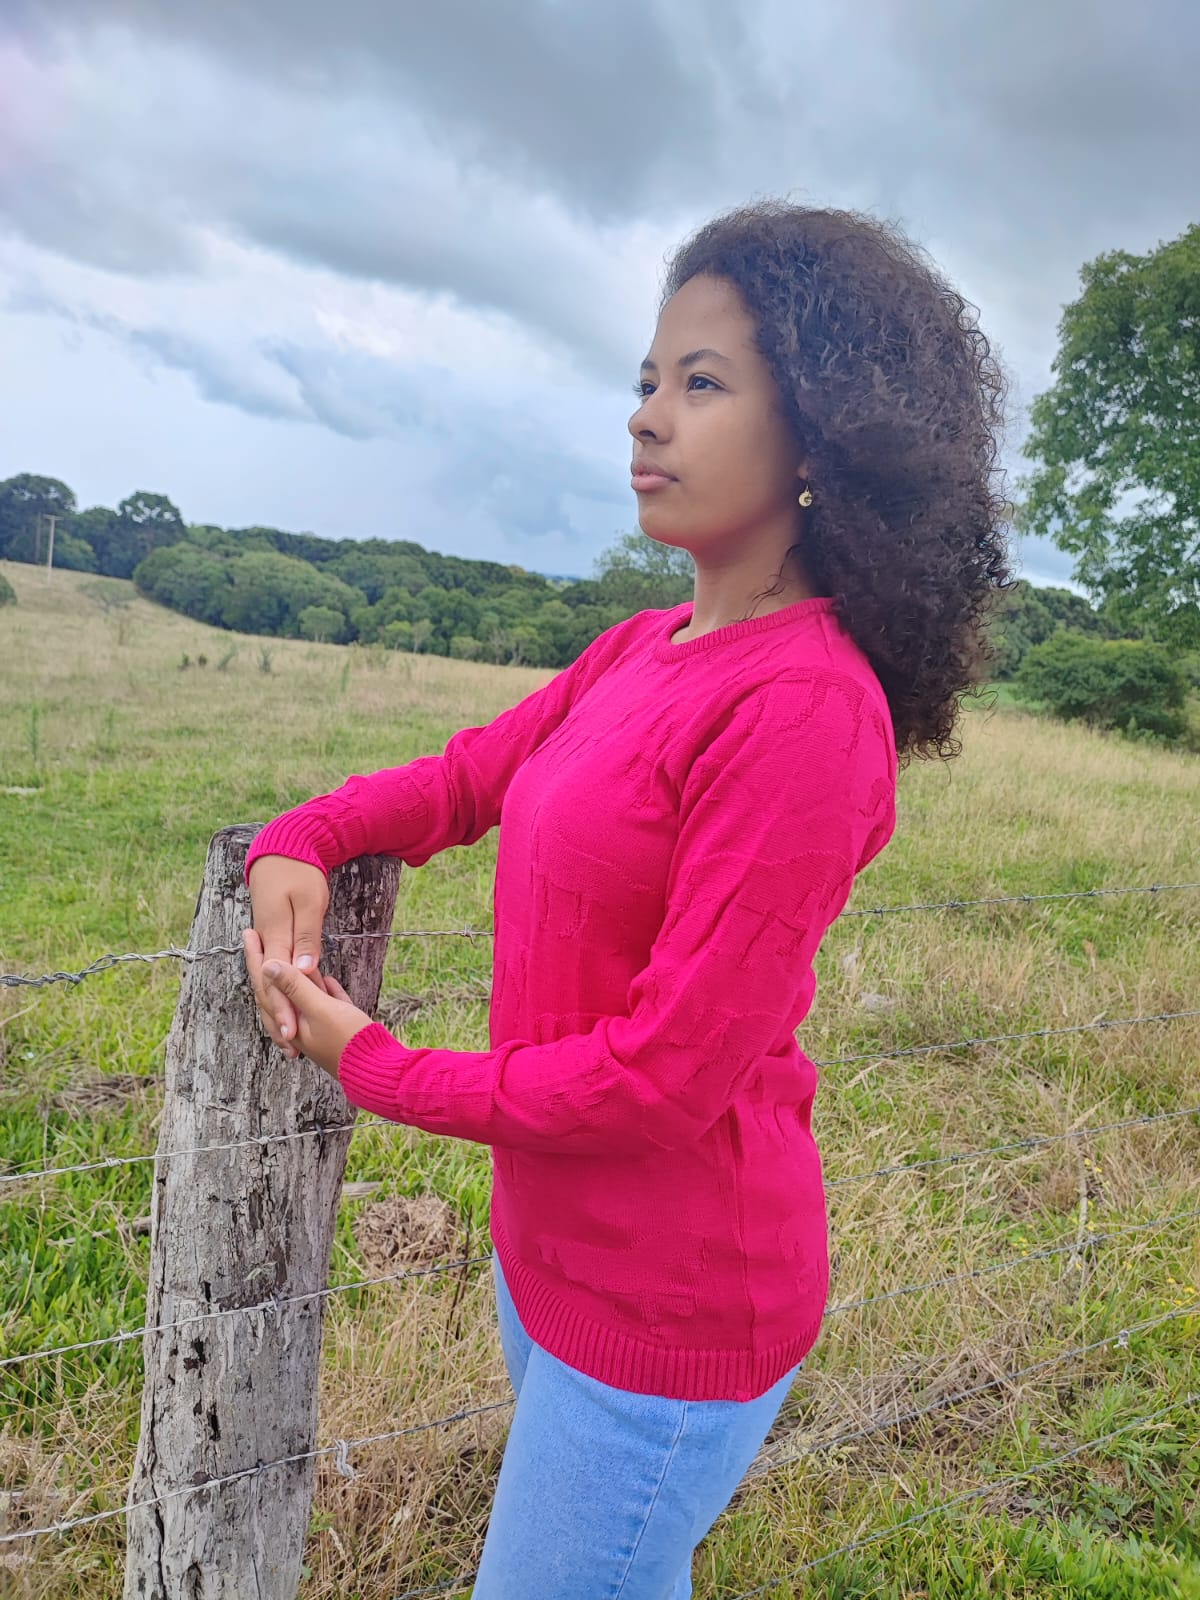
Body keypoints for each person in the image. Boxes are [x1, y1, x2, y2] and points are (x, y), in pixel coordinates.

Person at [241, 200, 1012, 1599]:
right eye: (648, 380)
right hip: (552, 1255)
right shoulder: (641, 649)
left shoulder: (805, 712)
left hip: (672, 1309)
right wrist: (305, 834)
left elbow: (662, 1077)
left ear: (825, 437)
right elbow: (467, 779)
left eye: (702, 383)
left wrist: (378, 1065)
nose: (648, 417)